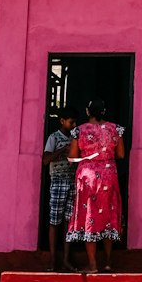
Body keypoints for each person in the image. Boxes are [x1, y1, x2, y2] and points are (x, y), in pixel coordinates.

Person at [65, 97, 125, 273]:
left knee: (89, 216)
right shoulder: (116, 129)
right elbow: (120, 154)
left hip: (88, 177)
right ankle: (107, 262)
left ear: (87, 111)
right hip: (108, 176)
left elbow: (74, 156)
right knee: (108, 215)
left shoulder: (79, 131)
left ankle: (92, 265)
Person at [42, 106, 79, 271]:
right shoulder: (53, 138)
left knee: (68, 222)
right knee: (54, 221)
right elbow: (45, 160)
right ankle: (52, 261)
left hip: (71, 182)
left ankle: (65, 260)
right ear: (62, 121)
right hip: (57, 182)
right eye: (71, 122)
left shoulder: (75, 138)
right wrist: (63, 150)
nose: (73, 125)